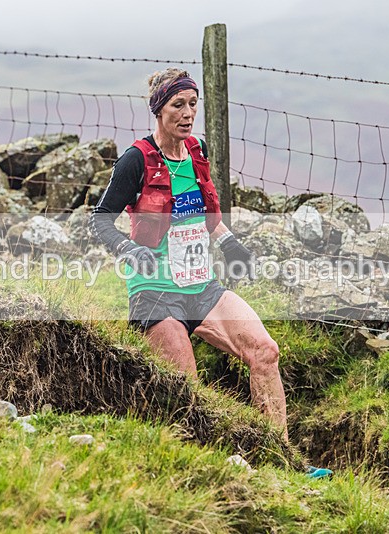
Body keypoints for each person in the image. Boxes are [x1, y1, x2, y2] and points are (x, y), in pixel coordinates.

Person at [89, 68, 288, 439]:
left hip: (202, 286)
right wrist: (128, 249)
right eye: (178, 105)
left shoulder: (197, 151)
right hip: (156, 292)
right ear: (159, 110)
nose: (188, 113)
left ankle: (282, 457)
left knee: (265, 351)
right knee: (188, 392)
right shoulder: (137, 160)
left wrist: (229, 242)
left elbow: (205, 214)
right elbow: (100, 220)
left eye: (193, 104)